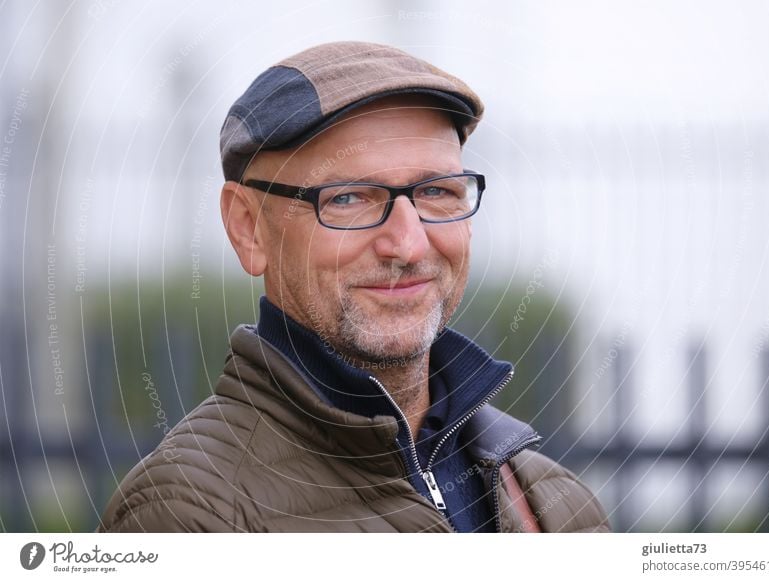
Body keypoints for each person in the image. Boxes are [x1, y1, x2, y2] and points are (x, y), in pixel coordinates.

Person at [97, 41, 609, 533]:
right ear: (249, 228)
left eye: (437, 192)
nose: (407, 245)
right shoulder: (191, 514)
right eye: (347, 199)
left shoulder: (558, 505)